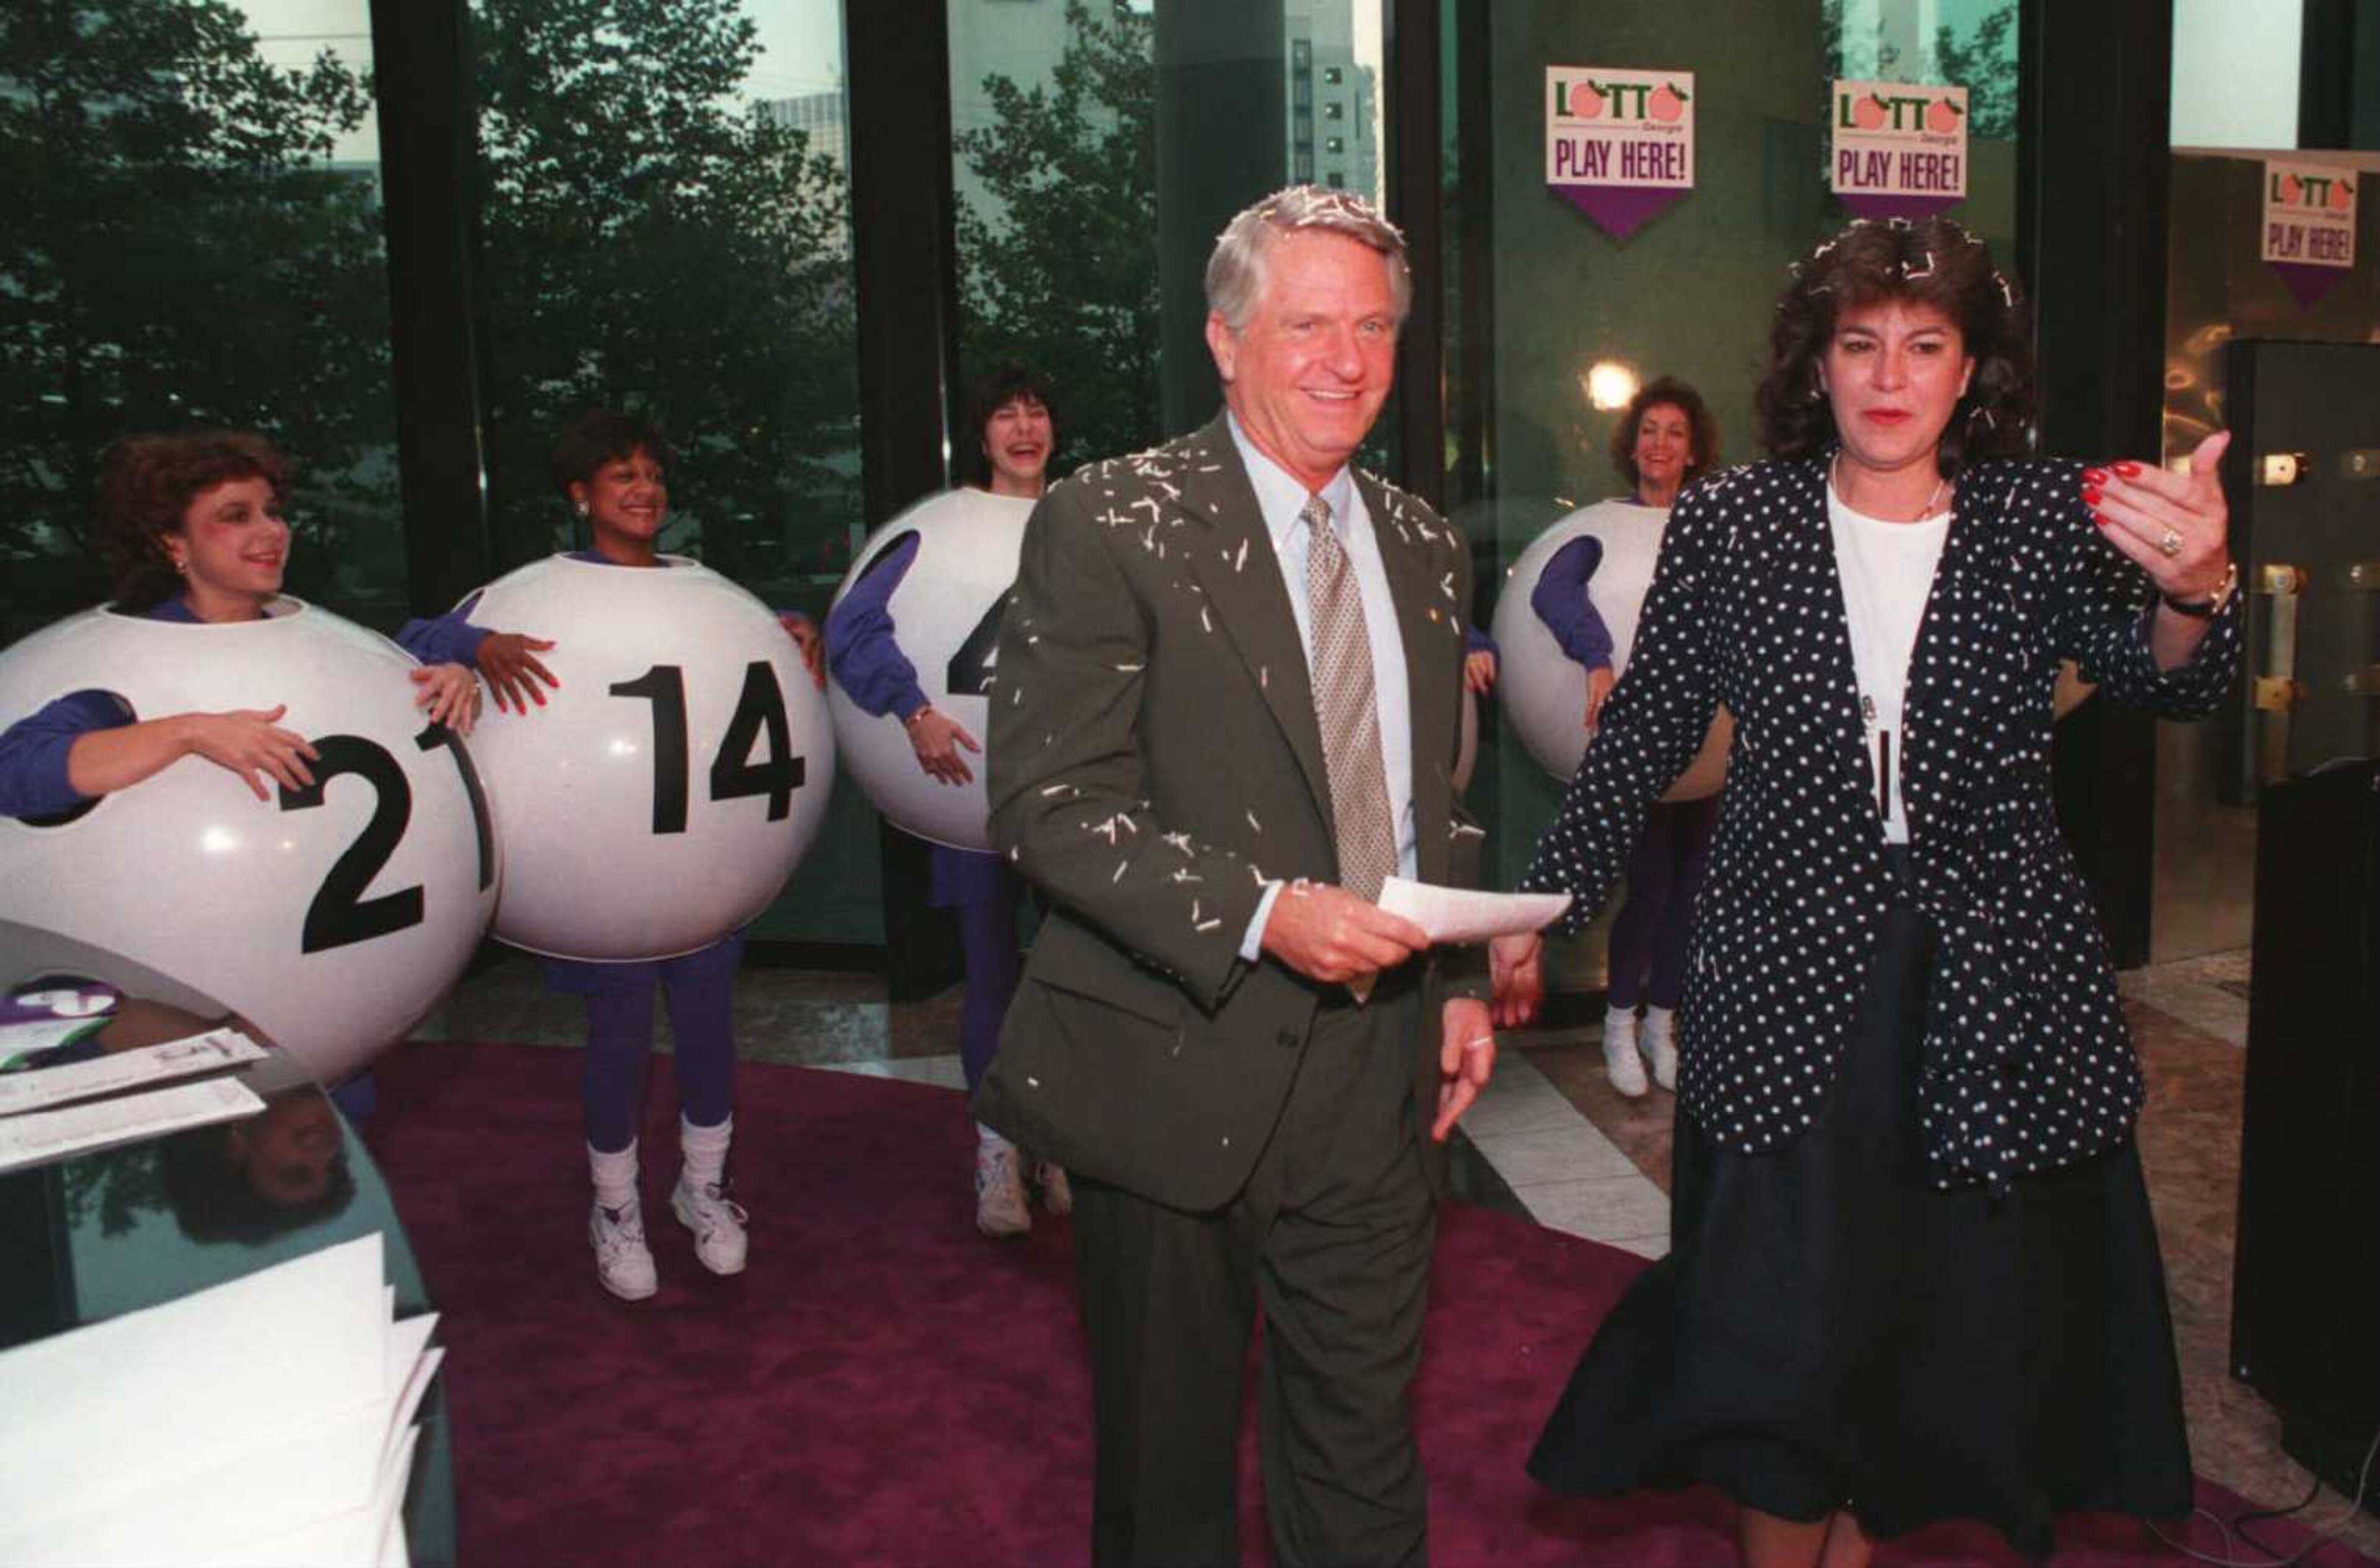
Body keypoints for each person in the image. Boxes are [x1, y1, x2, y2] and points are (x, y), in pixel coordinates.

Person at [1500, 216, 2241, 1566]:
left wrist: (2196, 586)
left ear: (1971, 371)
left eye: (1925, 345)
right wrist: (1542, 908)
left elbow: (2164, 676)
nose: (1891, 375)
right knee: (1778, 1349)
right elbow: (1648, 727)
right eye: (1861, 345)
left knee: (1945, 1346)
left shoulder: (2032, 517)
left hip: (1997, 993)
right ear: (1818, 366)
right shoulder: (1736, 520)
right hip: (1786, 981)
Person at [975, 184, 1525, 1568]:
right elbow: (1048, 808)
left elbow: (1423, 798)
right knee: (1167, 1482)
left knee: (1361, 1447)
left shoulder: (1416, 538)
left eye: (1374, 327)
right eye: (1307, 324)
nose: (1346, 358)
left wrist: (1455, 977)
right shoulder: (1112, 520)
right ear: (1227, 339)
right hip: (1175, 1060)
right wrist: (1267, 911)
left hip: (1375, 1071)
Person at [397, 410, 823, 1303]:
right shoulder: (530, 595)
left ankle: (703, 1187)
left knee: (709, 1028)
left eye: (653, 474)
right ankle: (615, 1203)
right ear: (579, 494)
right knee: (619, 1036)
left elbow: (745, 654)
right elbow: (407, 641)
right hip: (605, 879)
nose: (644, 490)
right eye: (622, 475)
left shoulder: (700, 587)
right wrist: (474, 645)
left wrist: (791, 627)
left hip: (710, 867)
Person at [824, 365, 1070, 1237]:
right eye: (1006, 413)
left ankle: (1057, 1135)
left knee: (1078, 973)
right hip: (971, 799)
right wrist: (913, 709)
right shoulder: (934, 529)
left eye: (1036, 410)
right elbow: (852, 628)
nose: (1024, 426)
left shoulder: (1086, 519)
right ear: (982, 434)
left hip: (1075, 793)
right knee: (994, 973)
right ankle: (998, 1151)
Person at [0, 430, 480, 822]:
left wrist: (452, 672)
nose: (271, 531)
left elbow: (408, 644)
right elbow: (13, 773)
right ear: (173, 544)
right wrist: (188, 733)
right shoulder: (133, 660)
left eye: (272, 512)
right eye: (236, 516)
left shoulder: (298, 628)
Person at [1527, 377, 1722, 1096]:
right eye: (1649, 429)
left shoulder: (1710, 526)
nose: (1659, 443)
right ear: (1630, 443)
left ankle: (1661, 1026)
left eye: (1674, 431)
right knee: (1647, 889)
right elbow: (1554, 591)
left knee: (1690, 892)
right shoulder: (1602, 530)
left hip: (1708, 747)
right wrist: (1599, 655)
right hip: (1633, 742)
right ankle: (1618, 1027)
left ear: (1694, 448)